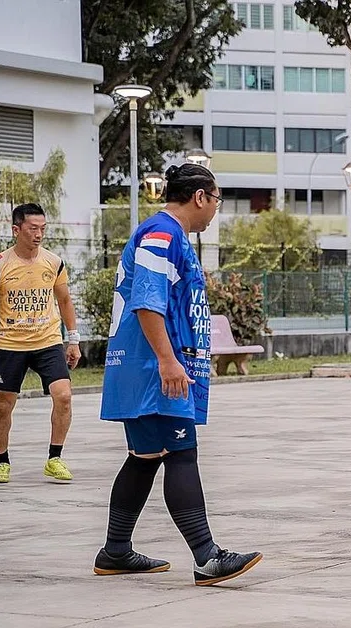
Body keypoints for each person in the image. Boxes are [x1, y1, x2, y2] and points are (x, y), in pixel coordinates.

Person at [93, 163, 261, 586]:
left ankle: (115, 551)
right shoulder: (162, 233)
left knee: (145, 457)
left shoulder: (169, 235)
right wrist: (168, 361)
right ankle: (207, 556)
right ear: (200, 197)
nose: (216, 208)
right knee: (181, 453)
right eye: (217, 199)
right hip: (154, 369)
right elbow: (146, 301)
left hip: (150, 366)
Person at [0, 203, 81, 485]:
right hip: (11, 343)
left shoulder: (53, 262)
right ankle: (1, 461)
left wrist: (73, 339)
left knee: (63, 396)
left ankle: (55, 458)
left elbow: (64, 300)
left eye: (43, 228)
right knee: (3, 405)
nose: (39, 234)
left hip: (48, 340)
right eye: (33, 228)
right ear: (16, 229)